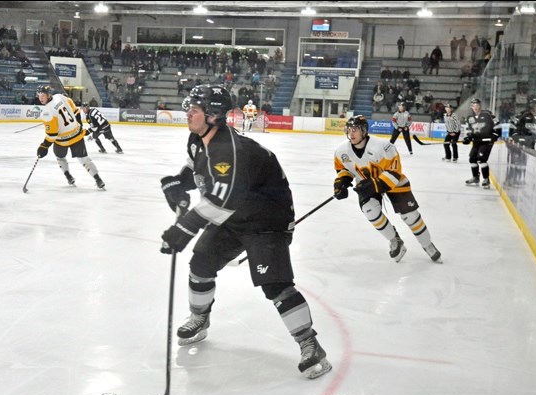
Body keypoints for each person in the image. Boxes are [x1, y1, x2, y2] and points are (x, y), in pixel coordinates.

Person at [158, 84, 331, 379]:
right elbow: (197, 169)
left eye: (195, 110)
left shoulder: (229, 149)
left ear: (213, 116)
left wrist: (183, 230)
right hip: (235, 216)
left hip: (266, 221)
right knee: (201, 263)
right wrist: (176, 183)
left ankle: (310, 345)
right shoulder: (198, 139)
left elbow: (221, 201)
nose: (188, 113)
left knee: (275, 285)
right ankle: (200, 318)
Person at [333, 115, 442, 264]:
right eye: (349, 129)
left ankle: (427, 244)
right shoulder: (341, 151)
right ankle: (395, 239)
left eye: (355, 130)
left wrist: (374, 185)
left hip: (393, 182)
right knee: (370, 211)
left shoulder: (382, 146)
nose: (351, 133)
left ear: (364, 131)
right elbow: (344, 169)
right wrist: (342, 182)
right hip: (366, 184)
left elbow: (394, 171)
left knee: (410, 215)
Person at [36, 86, 105, 190]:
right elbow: (75, 110)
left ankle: (68, 176)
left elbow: (52, 135)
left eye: (43, 95)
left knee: (60, 157)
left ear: (48, 95)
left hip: (62, 141)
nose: (41, 98)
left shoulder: (46, 112)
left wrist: (44, 146)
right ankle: (98, 179)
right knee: (84, 159)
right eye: (39, 96)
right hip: (77, 135)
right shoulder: (60, 96)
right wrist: (79, 124)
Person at [462, 98, 499, 189]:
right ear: (471, 106)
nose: (475, 107)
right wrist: (468, 137)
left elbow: (498, 125)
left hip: (486, 142)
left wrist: (495, 135)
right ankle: (475, 177)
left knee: (481, 159)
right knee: (472, 159)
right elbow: (471, 131)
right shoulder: (470, 118)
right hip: (477, 142)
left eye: (477, 105)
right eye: (473, 105)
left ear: (480, 106)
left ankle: (486, 179)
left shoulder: (487, 114)